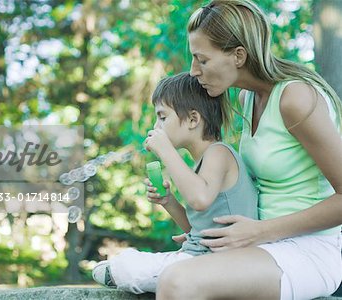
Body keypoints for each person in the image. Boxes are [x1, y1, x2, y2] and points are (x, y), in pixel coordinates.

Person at [156, 1, 342, 299]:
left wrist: (260, 231)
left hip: (309, 249)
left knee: (178, 281)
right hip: (259, 246)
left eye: (201, 60)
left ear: (238, 55)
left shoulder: (295, 97)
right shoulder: (247, 98)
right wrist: (205, 231)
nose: (193, 72)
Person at [92, 72, 259, 294]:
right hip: (202, 258)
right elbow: (197, 229)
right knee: (122, 263)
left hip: (215, 264)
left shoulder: (218, 153)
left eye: (162, 117)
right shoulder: (202, 164)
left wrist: (166, 151)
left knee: (123, 267)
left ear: (192, 119)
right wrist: (168, 201)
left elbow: (199, 200)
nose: (156, 125)